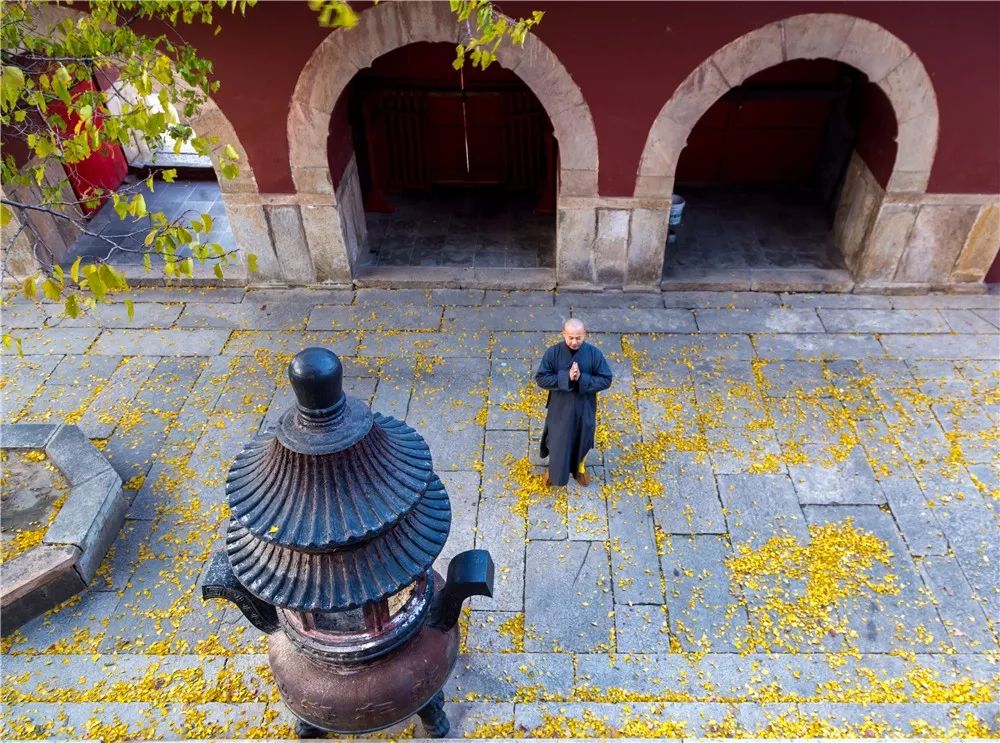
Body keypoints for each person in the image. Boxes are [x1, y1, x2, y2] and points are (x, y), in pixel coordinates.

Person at [535, 318, 613, 487]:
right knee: (557, 441)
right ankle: (555, 472)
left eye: (578, 337)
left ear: (585, 335)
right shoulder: (553, 353)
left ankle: (580, 468)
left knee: (582, 439)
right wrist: (566, 377)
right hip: (560, 408)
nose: (574, 341)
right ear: (563, 334)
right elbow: (541, 378)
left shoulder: (594, 354)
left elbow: (606, 379)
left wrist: (582, 379)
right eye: (570, 337)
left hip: (584, 408)